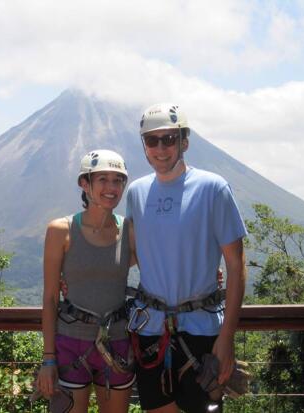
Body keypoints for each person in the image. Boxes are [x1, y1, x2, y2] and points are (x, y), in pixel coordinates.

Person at [125, 103, 247, 413]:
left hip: (203, 330)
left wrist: (227, 338)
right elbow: (134, 254)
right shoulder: (137, 193)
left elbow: (236, 266)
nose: (161, 148)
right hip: (151, 330)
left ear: (185, 141)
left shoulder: (212, 188)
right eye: (152, 140)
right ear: (144, 145)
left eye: (169, 138)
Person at [36, 149, 137, 413]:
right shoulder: (61, 230)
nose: (111, 188)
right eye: (102, 179)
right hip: (71, 341)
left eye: (118, 180)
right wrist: (48, 360)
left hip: (116, 342)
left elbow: (160, 267)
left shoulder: (129, 230)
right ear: (84, 183)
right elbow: (49, 297)